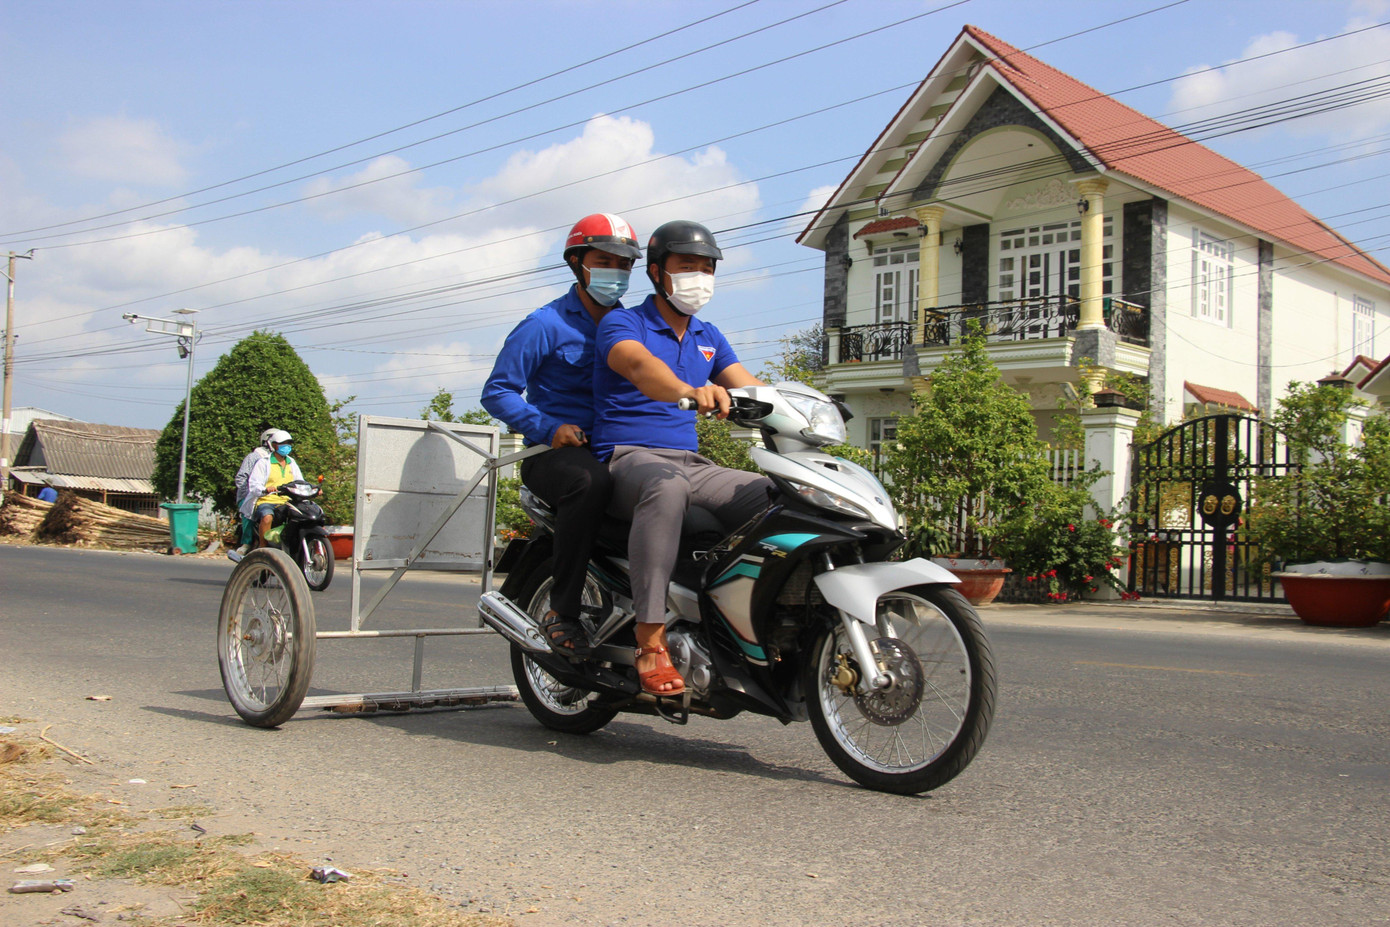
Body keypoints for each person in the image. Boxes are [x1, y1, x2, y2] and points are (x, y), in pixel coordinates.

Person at [591, 220, 771, 696]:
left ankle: (740, 617)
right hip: (629, 458)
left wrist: (806, 406)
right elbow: (639, 367)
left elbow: (751, 386)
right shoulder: (623, 323)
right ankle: (649, 638)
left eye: (707, 268)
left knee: (773, 495)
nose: (699, 277)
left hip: (692, 462)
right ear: (657, 273)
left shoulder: (708, 334)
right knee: (666, 486)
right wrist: (688, 390)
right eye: (687, 266)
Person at [481, 213, 642, 660]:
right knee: (590, 483)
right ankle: (562, 610)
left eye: (625, 264)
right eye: (605, 260)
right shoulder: (545, 323)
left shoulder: (635, 328)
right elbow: (497, 391)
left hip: (617, 448)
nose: (616, 272)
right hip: (555, 455)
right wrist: (550, 429)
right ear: (577, 262)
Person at [242, 429, 304, 548]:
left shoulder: (292, 463)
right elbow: (254, 485)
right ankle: (263, 547)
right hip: (267, 500)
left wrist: (311, 488)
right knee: (267, 517)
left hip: (287, 501)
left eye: (289, 444)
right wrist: (266, 489)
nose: (287, 447)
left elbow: (300, 481)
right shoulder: (263, 463)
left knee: (303, 516)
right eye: (283, 444)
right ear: (274, 445)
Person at [227, 429, 275, 563]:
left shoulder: (282, 460)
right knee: (249, 513)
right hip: (251, 494)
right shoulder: (254, 457)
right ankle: (246, 543)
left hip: (272, 495)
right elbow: (241, 478)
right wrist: (252, 492)